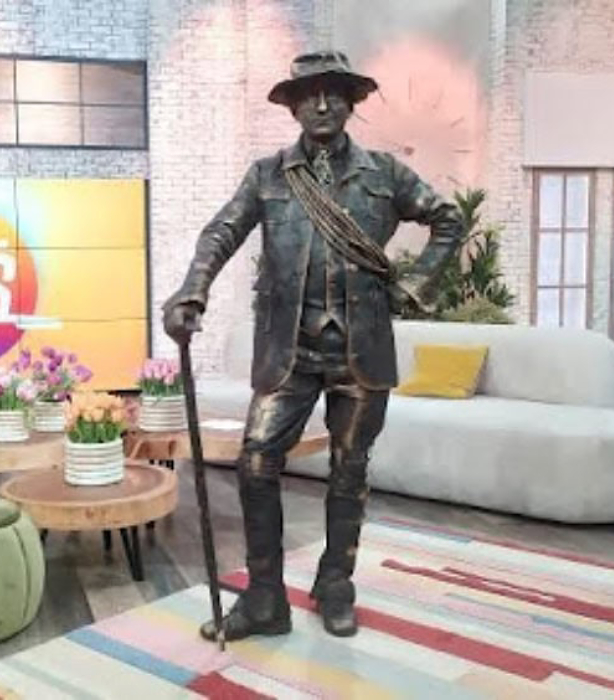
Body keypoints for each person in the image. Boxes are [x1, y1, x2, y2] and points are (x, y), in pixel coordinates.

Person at [162, 50, 463, 639]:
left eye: (333, 93)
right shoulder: (268, 175)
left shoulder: (385, 173)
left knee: (350, 471)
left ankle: (335, 584)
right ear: (293, 107)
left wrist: (417, 281)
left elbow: (448, 219)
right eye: (309, 95)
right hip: (289, 352)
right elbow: (222, 231)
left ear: (351, 102)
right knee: (255, 462)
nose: (322, 104)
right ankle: (265, 599)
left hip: (361, 348)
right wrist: (193, 289)